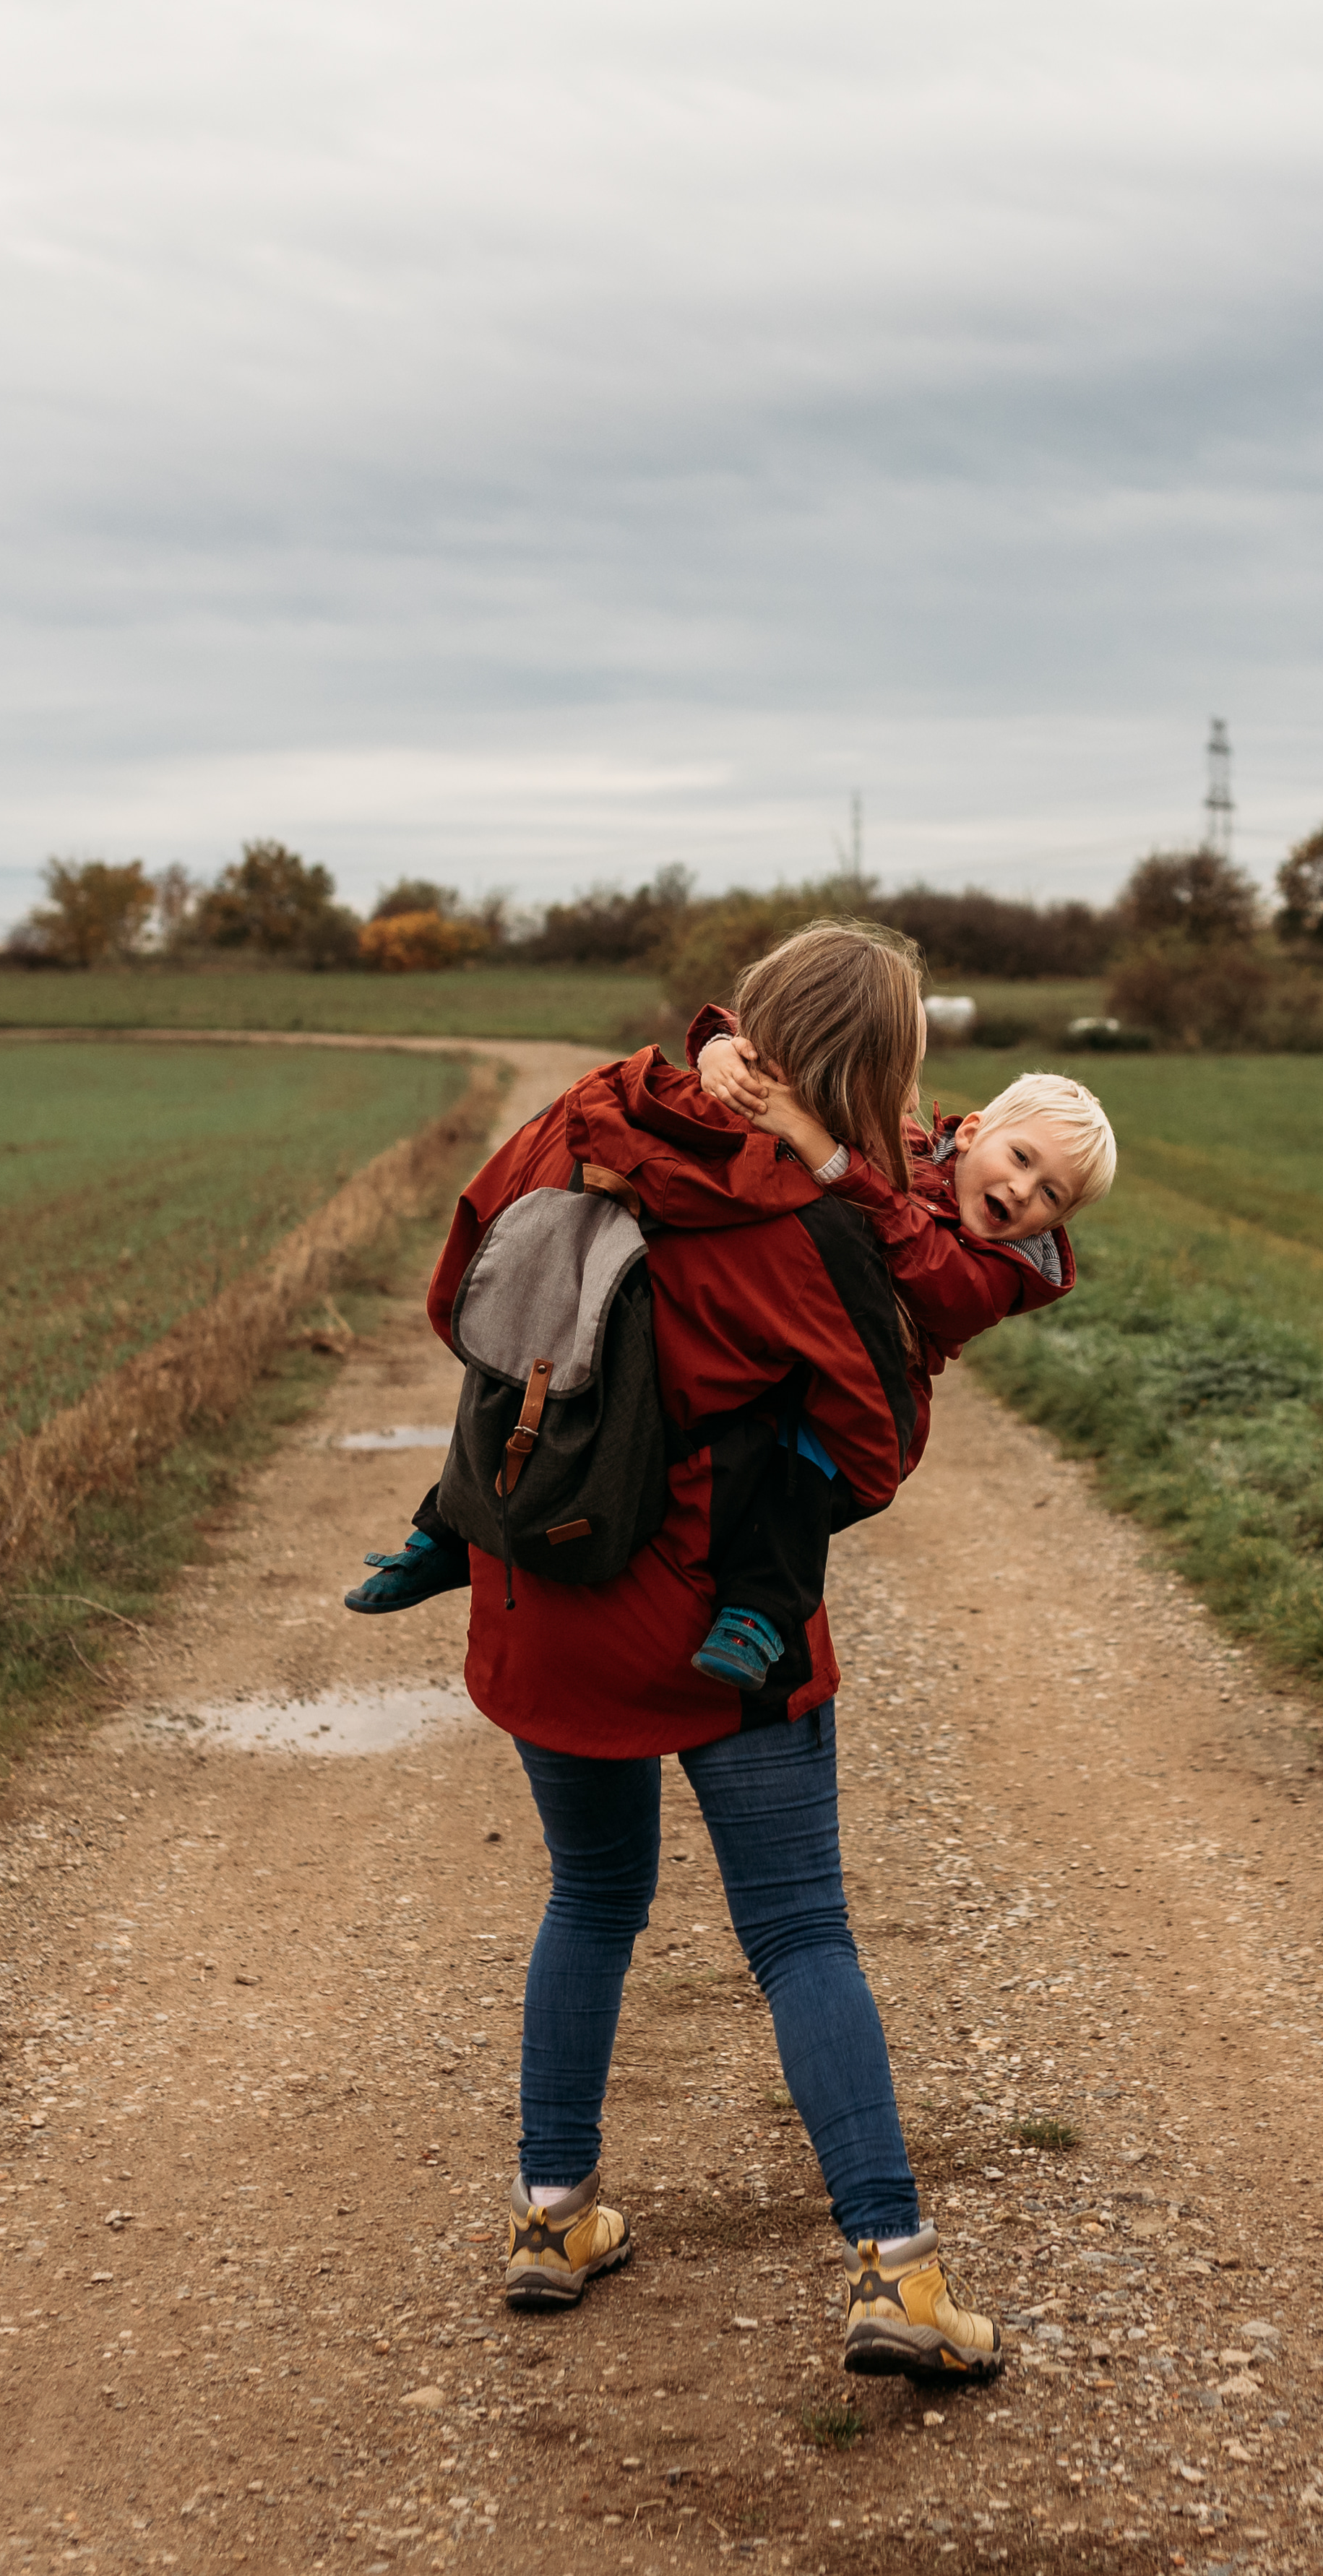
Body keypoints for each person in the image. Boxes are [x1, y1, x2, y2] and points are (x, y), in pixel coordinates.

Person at [407, 919, 1008, 2381]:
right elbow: (873, 1444)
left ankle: (552, 2216)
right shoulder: (809, 1226)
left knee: (591, 1896)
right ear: (873, 1078)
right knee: (799, 1931)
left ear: (742, 1020)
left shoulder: (579, 1124)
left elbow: (457, 1306)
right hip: (724, 1643)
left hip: (544, 1602)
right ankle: (894, 2275)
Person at [676, 1018, 1115, 1688]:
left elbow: (930, 1266)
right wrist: (718, 1050)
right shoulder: (903, 1142)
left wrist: (827, 1155)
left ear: (1052, 1224)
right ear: (969, 1134)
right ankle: (468, 1526)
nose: (1024, 1191)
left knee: (794, 1484)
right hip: (804, 1349)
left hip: (868, 1406)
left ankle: (757, 1619)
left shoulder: (998, 1277)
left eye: (1050, 1195)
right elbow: (810, 1056)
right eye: (1021, 1159)